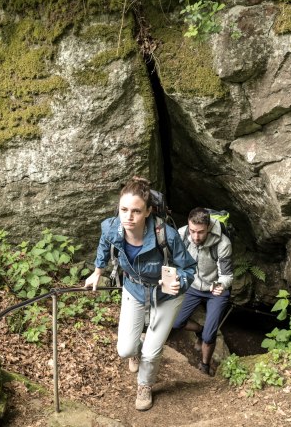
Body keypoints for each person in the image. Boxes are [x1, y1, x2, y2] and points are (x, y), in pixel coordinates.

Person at [84, 176, 196, 411]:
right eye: (124, 209)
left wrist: (180, 282)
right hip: (134, 288)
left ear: (147, 212)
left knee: (152, 352)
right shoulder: (112, 227)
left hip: (166, 293)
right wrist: (97, 271)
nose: (128, 217)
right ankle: (136, 350)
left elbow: (189, 268)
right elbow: (105, 243)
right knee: (125, 349)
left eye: (136, 211)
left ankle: (144, 385)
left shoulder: (166, 235)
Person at [172, 207, 233, 375]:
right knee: (176, 322)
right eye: (192, 231)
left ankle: (205, 365)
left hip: (215, 290)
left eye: (200, 232)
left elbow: (227, 275)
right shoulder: (182, 234)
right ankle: (199, 330)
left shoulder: (222, 243)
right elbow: (173, 259)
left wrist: (221, 284)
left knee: (209, 335)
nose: (195, 237)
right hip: (193, 285)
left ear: (209, 228)